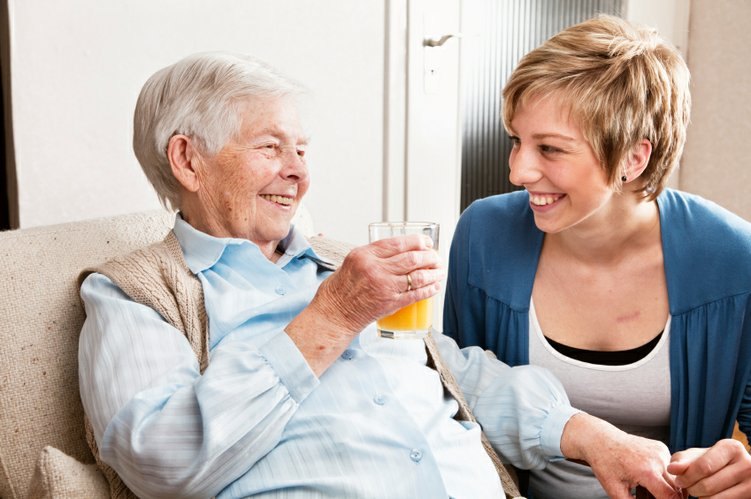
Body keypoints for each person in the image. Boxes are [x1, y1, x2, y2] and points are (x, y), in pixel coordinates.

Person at [78, 51, 682, 499]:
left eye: (303, 151)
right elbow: (159, 459)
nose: (297, 174)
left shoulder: (341, 264)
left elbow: (455, 373)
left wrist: (595, 436)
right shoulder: (137, 294)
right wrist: (333, 316)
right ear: (188, 159)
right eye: (271, 148)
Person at [443, 14, 751, 499]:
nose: (518, 171)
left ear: (633, 158)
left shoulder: (735, 259)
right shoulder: (484, 234)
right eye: (516, 141)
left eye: (550, 149)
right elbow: (455, 399)